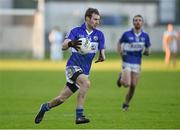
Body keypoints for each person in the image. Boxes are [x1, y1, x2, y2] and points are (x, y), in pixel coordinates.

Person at [34, 8, 105, 124]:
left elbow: (102, 51)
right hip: (72, 67)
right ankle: (79, 116)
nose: (97, 22)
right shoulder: (76, 31)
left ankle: (45, 107)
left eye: (98, 20)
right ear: (87, 18)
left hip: (85, 71)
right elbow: (63, 46)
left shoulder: (99, 34)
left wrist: (102, 56)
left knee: (61, 99)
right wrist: (71, 43)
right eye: (95, 19)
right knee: (86, 83)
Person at [116, 15, 151, 111]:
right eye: (136, 20)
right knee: (126, 84)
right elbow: (119, 43)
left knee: (133, 86)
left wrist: (147, 52)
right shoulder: (127, 34)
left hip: (137, 64)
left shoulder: (145, 36)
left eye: (140, 20)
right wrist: (120, 52)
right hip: (127, 61)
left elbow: (148, 49)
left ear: (142, 22)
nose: (138, 22)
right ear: (133, 22)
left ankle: (126, 104)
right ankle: (120, 79)